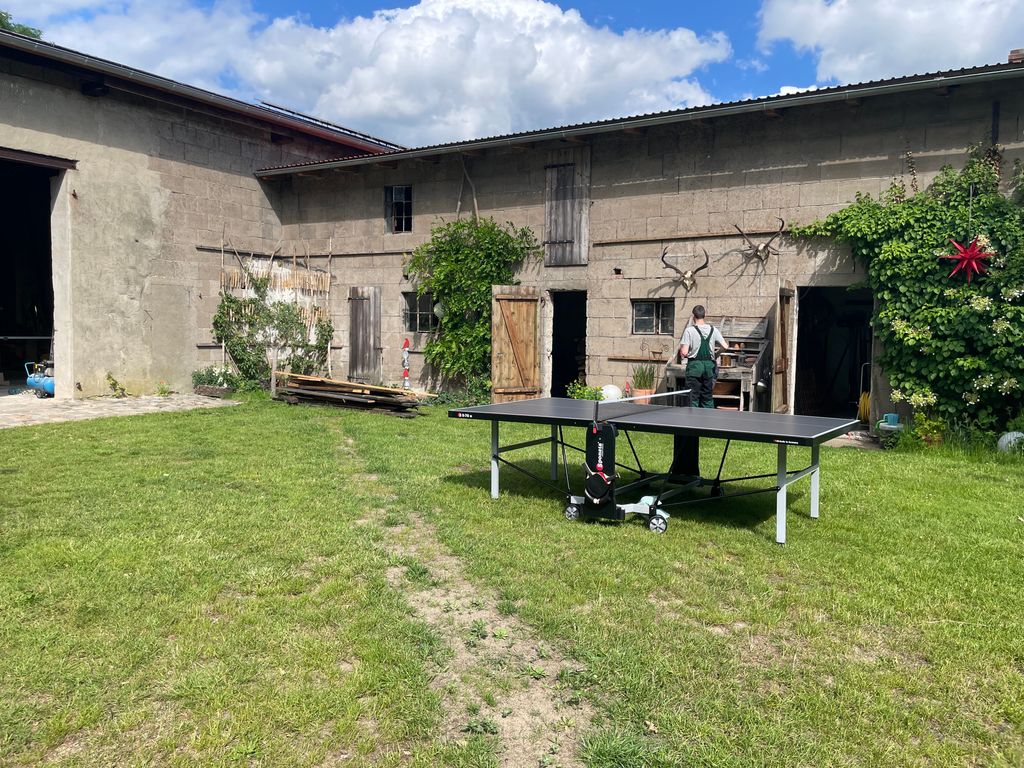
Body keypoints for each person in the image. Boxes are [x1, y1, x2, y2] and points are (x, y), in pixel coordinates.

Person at [679, 305, 728, 408]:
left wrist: (682, 352)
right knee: (707, 397)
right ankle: (707, 422)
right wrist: (716, 354)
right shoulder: (713, 329)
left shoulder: (689, 330)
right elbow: (725, 346)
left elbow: (684, 352)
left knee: (693, 397)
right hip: (709, 368)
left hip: (694, 368)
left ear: (693, 316)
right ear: (704, 316)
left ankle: (691, 422)